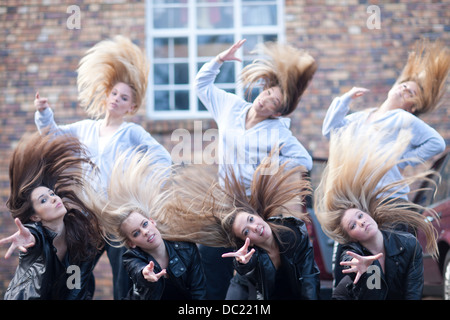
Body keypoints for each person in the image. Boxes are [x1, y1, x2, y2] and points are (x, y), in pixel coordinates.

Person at [33, 35, 172, 299]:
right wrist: (43, 113)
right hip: (88, 218)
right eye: (115, 94)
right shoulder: (86, 128)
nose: (117, 99)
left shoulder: (132, 132)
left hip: (119, 220)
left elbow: (163, 158)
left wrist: (144, 189)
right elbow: (52, 134)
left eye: (124, 98)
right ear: (107, 94)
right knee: (77, 274)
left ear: (131, 107)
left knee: (125, 276)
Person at [194, 38, 317, 299]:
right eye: (268, 94)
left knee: (252, 272)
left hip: (254, 210)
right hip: (226, 204)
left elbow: (304, 160)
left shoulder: (278, 133)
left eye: (274, 103)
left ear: (278, 113)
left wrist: (272, 169)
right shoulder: (231, 107)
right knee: (210, 256)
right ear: (263, 88)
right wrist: (218, 61)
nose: (265, 102)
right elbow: (201, 86)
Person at [153, 154, 320, 300]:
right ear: (247, 242)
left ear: (257, 215)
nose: (255, 227)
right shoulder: (250, 259)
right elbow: (253, 289)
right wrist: (245, 267)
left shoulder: (294, 232)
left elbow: (309, 279)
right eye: (246, 231)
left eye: (251, 220)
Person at [314, 123, 439, 300]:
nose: (361, 222)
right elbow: (349, 260)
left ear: (368, 214)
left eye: (360, 216)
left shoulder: (409, 244)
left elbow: (413, 292)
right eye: (353, 225)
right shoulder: (353, 252)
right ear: (352, 237)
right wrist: (365, 272)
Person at [322, 39, 449, 201]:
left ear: (413, 107)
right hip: (359, 199)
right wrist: (345, 99)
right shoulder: (361, 117)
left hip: (388, 200)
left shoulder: (403, 118)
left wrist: (403, 160)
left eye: (411, 93)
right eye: (404, 86)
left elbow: (437, 143)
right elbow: (330, 132)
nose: (404, 89)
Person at [82, 151, 206, 300]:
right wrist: (145, 274)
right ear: (131, 243)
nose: (145, 232)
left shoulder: (186, 248)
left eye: (145, 224)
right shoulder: (131, 257)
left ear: (152, 222)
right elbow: (137, 269)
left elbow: (198, 291)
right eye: (136, 233)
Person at [0, 132, 103, 299]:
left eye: (52, 194)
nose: (53, 198)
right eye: (43, 200)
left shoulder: (79, 241)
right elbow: (35, 237)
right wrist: (30, 241)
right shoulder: (34, 240)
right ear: (35, 217)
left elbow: (75, 289)